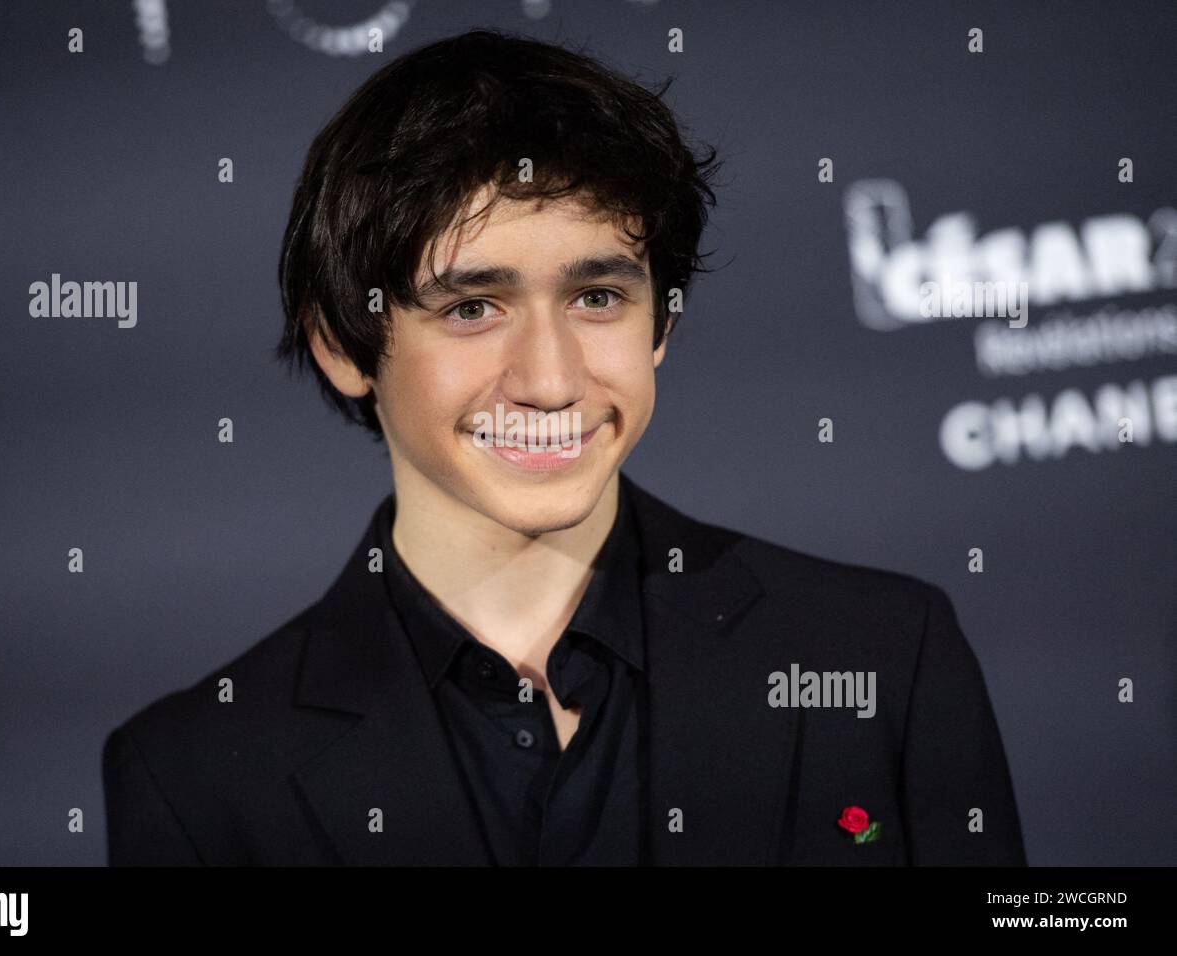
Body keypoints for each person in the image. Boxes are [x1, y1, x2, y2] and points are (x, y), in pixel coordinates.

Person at [102, 28, 1026, 866]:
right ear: (344, 347)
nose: (550, 379)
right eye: (472, 308)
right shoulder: (199, 778)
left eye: (597, 298)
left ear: (660, 322)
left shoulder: (883, 655)